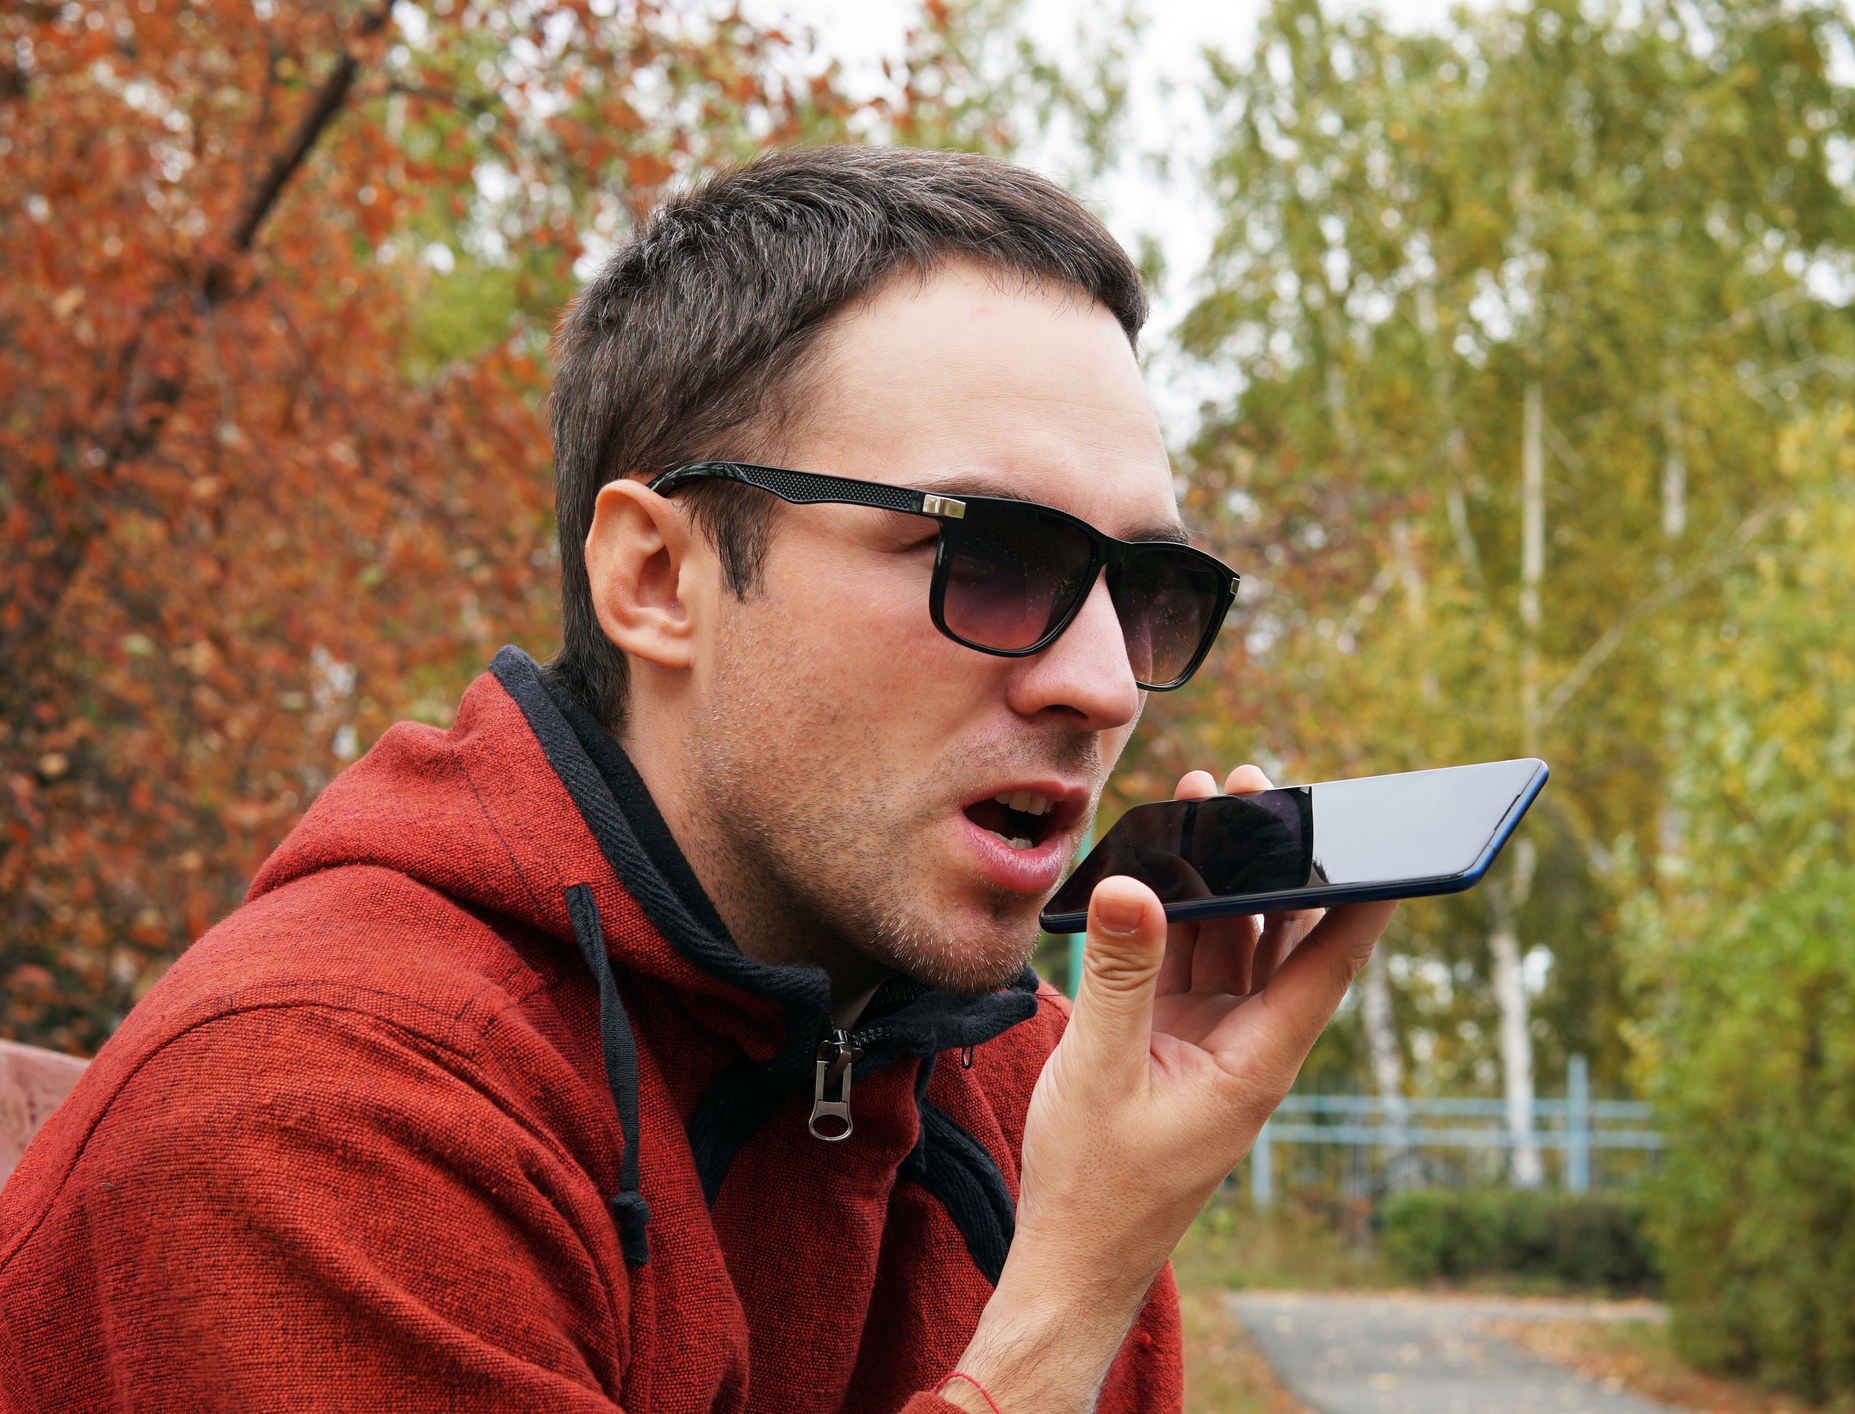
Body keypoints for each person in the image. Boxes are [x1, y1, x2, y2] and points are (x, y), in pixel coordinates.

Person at [0, 146, 1394, 1413]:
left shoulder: (1039, 1090)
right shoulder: (317, 1112)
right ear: (657, 577)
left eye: (1146, 587)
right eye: (993, 555)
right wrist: (1058, 1314)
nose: (1100, 682)